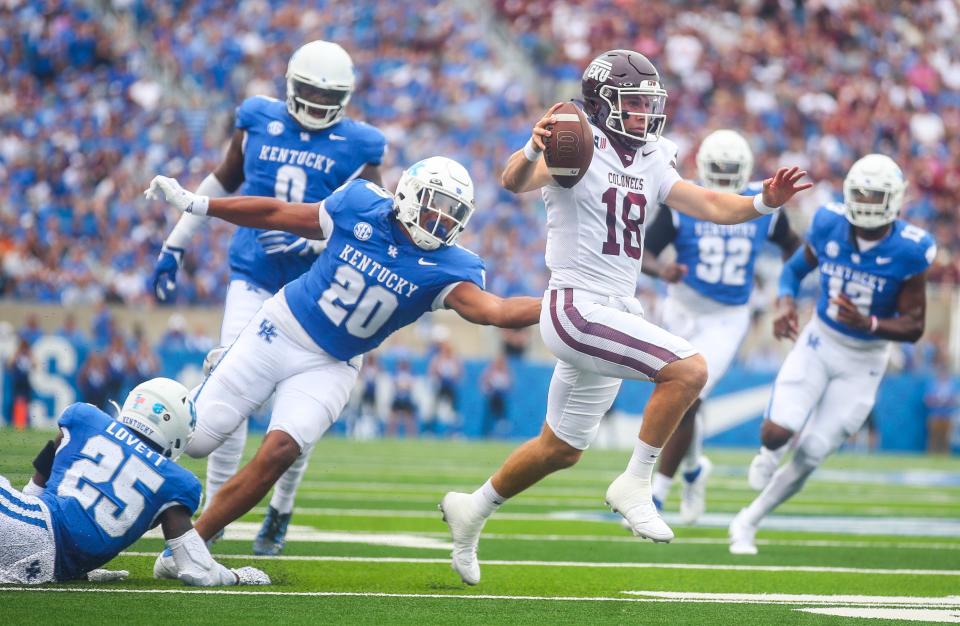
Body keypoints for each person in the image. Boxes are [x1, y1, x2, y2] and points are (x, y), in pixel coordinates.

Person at [438, 49, 811, 585]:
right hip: (576, 304)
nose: (643, 114)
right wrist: (529, 146)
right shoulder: (577, 145)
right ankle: (637, 481)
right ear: (601, 104)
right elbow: (515, 181)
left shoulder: (654, 155)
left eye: (647, 104)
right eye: (632, 104)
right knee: (689, 369)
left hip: (614, 306)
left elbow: (706, 203)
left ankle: (471, 510)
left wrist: (761, 202)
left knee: (560, 449)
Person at [144, 155, 542, 579]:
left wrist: (561, 304)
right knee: (197, 438)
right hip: (279, 328)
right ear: (408, 193)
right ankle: (94, 486)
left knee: (280, 450)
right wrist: (198, 205)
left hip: (333, 364)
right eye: (434, 205)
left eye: (452, 214)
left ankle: (187, 549)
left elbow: (496, 311)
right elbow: (278, 213)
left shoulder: (451, 266)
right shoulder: (359, 204)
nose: (441, 221)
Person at [150, 40, 387, 556]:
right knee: (228, 390)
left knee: (294, 414)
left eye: (330, 95)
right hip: (254, 274)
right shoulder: (257, 117)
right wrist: (177, 240)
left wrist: (312, 240)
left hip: (317, 294)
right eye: (309, 92)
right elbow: (223, 180)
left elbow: (375, 225)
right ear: (288, 86)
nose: (318, 103)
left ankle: (281, 506)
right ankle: (216, 512)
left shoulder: (362, 144)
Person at [729, 154, 936, 554]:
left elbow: (914, 326)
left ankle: (748, 520)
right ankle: (768, 454)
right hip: (821, 340)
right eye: (862, 192)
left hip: (866, 360)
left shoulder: (911, 250)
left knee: (813, 451)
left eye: (877, 195)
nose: (868, 201)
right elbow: (792, 270)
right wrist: (786, 302)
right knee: (777, 431)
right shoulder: (829, 223)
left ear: (894, 199)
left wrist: (870, 324)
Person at [641, 129, 801, 523]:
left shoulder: (764, 203)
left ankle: (657, 493)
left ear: (744, 170)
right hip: (680, 309)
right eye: (719, 169)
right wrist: (664, 268)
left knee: (687, 396)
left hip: (727, 318)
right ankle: (694, 470)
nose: (725, 177)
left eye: (732, 171)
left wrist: (786, 295)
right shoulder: (685, 200)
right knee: (679, 396)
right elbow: (643, 251)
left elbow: (796, 250)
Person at [0, 378, 268, 586]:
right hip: (47, 559)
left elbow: (49, 460)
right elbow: (197, 571)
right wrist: (237, 576)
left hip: (28, 523)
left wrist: (31, 503)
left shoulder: (84, 417)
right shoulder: (174, 482)